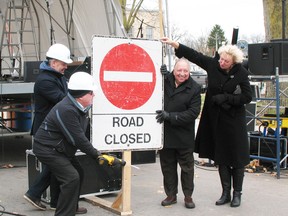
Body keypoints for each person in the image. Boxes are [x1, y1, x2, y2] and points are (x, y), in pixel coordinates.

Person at [161, 37, 252, 208]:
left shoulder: (241, 74)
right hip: (216, 120)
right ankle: (225, 192)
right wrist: (176, 45)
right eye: (221, 58)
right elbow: (195, 56)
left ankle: (237, 193)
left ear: (233, 62)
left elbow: (247, 97)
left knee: (237, 158)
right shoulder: (214, 65)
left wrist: (226, 98)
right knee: (222, 156)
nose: (222, 62)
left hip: (234, 120)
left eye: (226, 61)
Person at [32, 71, 101, 216]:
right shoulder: (66, 109)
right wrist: (97, 155)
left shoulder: (79, 106)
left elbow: (81, 134)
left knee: (78, 173)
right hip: (47, 149)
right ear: (81, 95)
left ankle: (70, 206)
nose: (93, 95)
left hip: (61, 148)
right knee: (71, 178)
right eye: (91, 93)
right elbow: (78, 139)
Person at [23, 43, 76, 211]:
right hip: (46, 131)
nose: (66, 66)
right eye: (63, 63)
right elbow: (64, 100)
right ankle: (35, 193)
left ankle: (53, 200)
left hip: (53, 129)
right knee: (57, 164)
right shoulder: (45, 81)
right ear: (53, 63)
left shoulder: (57, 77)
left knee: (56, 165)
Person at [156, 58, 201, 209]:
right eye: (179, 70)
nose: (182, 74)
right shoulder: (167, 79)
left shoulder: (194, 88)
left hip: (184, 136)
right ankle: (171, 195)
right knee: (167, 167)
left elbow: (193, 113)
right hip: (167, 134)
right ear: (174, 70)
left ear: (189, 72)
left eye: (185, 71)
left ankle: (188, 196)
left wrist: (171, 116)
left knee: (187, 168)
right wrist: (159, 71)